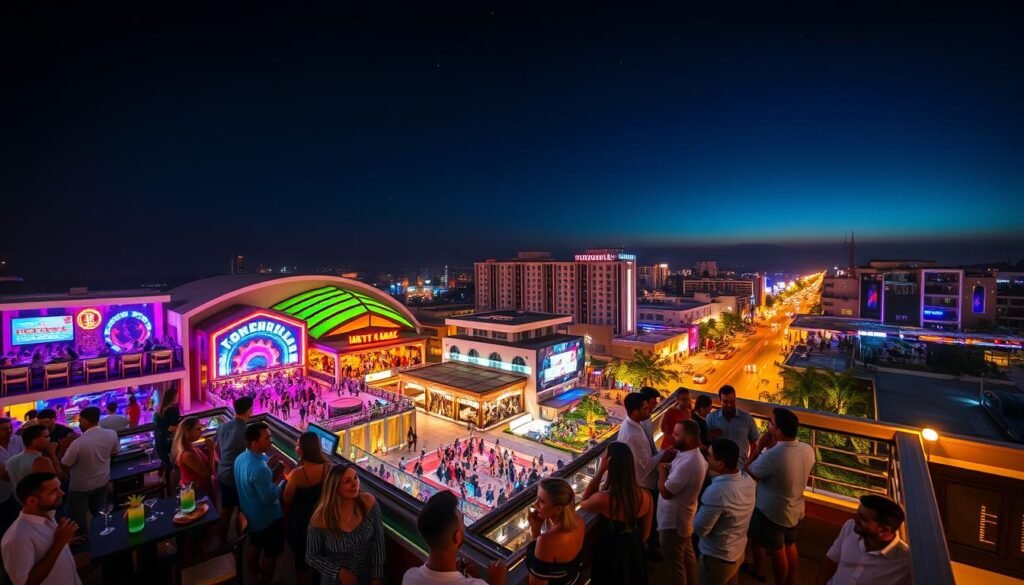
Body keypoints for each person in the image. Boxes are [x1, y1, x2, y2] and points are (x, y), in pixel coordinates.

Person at [745, 408, 816, 585]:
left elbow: (750, 470)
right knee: (790, 545)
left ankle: (773, 578)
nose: (768, 425)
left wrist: (759, 448)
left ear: (779, 431)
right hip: (796, 510)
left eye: (771, 423)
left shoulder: (773, 455)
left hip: (772, 513)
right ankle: (791, 580)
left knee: (777, 550)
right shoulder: (807, 449)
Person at [580, 442, 653, 585]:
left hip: (609, 557)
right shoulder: (647, 496)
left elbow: (584, 501)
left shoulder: (604, 499)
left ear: (610, 464)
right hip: (634, 556)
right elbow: (645, 535)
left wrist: (600, 471)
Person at [402, 490, 506, 585]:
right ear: (457, 537)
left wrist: (471, 577)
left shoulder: (409, 577)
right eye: (462, 522)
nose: (465, 527)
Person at [306, 464, 385, 585]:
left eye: (355, 478)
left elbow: (378, 540)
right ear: (335, 487)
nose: (355, 484)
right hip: (335, 581)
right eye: (347, 481)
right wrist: (339, 572)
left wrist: (376, 576)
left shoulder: (369, 503)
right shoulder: (320, 518)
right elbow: (311, 556)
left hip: (367, 576)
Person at [693, 439, 756, 585]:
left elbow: (700, 529)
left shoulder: (717, 492)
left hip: (717, 557)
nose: (706, 457)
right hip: (738, 549)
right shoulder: (748, 481)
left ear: (720, 465)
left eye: (709, 455)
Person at [616, 391, 670, 562]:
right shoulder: (633, 434)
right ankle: (645, 554)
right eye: (646, 408)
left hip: (641, 481)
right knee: (647, 523)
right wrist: (664, 454)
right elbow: (646, 465)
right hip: (643, 484)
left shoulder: (633, 425)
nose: (649, 412)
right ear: (634, 411)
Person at [0, 473, 82, 585]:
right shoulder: (17, 538)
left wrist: (66, 543)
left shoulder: (48, 514)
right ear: (32, 501)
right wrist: (59, 543)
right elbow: (25, 582)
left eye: (59, 488)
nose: (62, 493)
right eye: (54, 491)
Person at [816, 495, 911, 585]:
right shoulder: (850, 528)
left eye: (863, 519)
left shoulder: (906, 562)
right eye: (857, 514)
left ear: (884, 530)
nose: (855, 519)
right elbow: (830, 560)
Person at [235, 422, 286, 585]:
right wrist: (281, 484)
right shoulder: (260, 468)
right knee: (271, 553)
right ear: (254, 442)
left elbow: (252, 483)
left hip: (250, 514)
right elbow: (269, 497)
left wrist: (268, 469)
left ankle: (254, 573)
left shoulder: (241, 458)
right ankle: (265, 581)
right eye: (267, 438)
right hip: (268, 519)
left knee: (254, 543)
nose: (270, 440)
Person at [657, 420, 707, 585]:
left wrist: (661, 470)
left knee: (675, 565)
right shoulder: (690, 455)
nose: (672, 436)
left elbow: (666, 492)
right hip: (684, 519)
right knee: (687, 556)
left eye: (677, 435)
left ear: (690, 440)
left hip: (674, 523)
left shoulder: (689, 463)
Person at [60, 407, 118, 536]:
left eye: (80, 420)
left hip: (80, 487)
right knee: (101, 515)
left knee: (78, 521)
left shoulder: (78, 443)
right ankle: (105, 538)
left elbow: (65, 465)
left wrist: (63, 448)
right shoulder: (111, 434)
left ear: (86, 420)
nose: (79, 423)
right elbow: (115, 452)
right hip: (102, 481)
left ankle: (84, 546)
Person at [284, 432, 328, 585]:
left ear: (302, 450)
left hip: (301, 522)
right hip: (323, 519)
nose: (295, 447)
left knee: (301, 562)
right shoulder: (328, 467)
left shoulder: (297, 474)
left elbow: (287, 498)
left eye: (297, 445)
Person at [525, 478, 585, 585]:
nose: (535, 504)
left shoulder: (546, 542)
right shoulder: (578, 520)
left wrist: (535, 531)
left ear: (558, 509)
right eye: (537, 498)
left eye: (542, 501)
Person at [216, 395, 253, 542]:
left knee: (226, 509)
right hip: (238, 476)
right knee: (241, 510)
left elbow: (216, 449)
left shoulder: (223, 426)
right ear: (249, 410)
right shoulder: (247, 431)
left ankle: (222, 540)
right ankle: (239, 541)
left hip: (223, 473)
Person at [3, 426, 61, 500]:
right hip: (41, 504)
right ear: (35, 441)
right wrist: (53, 454)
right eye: (46, 436)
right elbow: (57, 482)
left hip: (21, 503)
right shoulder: (41, 461)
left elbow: (6, 476)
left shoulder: (10, 460)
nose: (49, 439)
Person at [706, 386, 758, 467]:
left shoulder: (747, 418)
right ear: (720, 400)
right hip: (718, 466)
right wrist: (710, 435)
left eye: (732, 401)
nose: (729, 405)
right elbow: (706, 442)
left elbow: (754, 443)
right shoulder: (711, 418)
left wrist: (749, 463)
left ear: (735, 399)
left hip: (740, 465)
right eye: (725, 402)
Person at [171, 417, 215, 496]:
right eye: (197, 429)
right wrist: (211, 449)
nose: (201, 432)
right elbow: (207, 473)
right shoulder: (188, 454)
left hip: (199, 488)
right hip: (197, 492)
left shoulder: (191, 447)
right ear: (188, 432)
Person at [153, 386, 181, 469]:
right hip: (169, 444)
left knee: (167, 465)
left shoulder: (159, 410)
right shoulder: (173, 410)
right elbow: (171, 428)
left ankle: (166, 479)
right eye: (177, 396)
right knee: (174, 466)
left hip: (159, 443)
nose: (178, 398)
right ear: (173, 397)